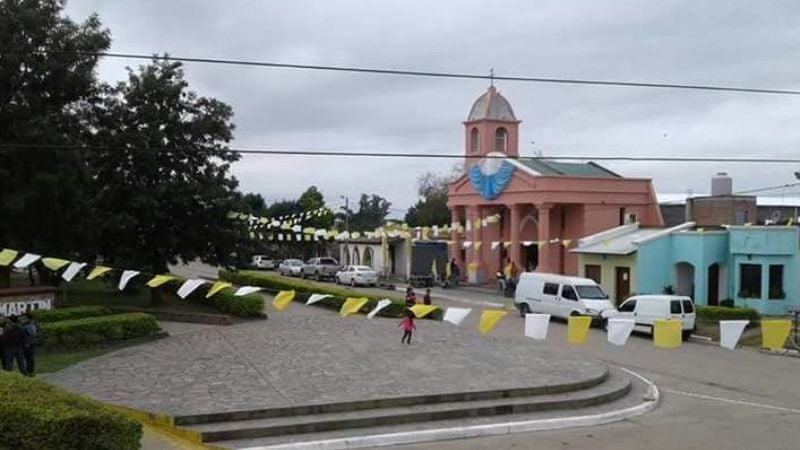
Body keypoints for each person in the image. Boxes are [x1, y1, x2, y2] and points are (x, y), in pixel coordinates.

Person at [22, 312, 37, 377]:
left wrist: (27, 342)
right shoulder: (25, 325)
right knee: (27, 358)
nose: (22, 319)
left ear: (28, 319)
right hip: (27, 343)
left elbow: (32, 334)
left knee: (29, 358)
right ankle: (29, 370)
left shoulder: (30, 325)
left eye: (24, 318)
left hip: (29, 344)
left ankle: (30, 371)